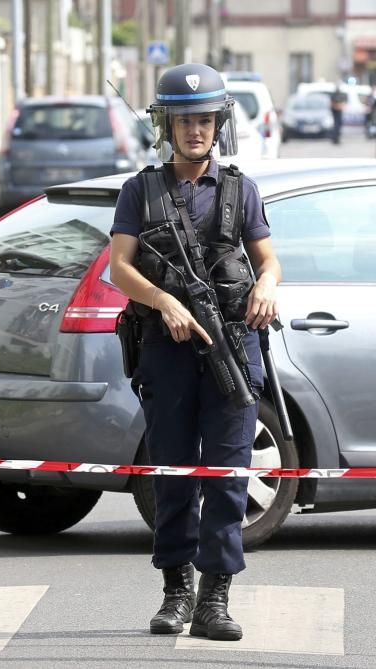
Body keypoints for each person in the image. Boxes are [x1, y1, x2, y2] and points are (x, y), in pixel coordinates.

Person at [108, 63, 281, 642]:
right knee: (175, 475)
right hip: (167, 351)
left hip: (232, 347)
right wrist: (164, 303)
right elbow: (119, 269)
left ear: (219, 124)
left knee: (228, 476)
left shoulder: (240, 189)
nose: (196, 131)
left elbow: (269, 260)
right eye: (185, 121)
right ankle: (176, 591)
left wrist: (266, 286)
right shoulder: (140, 190)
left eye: (205, 120)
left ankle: (215, 598)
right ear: (167, 125)